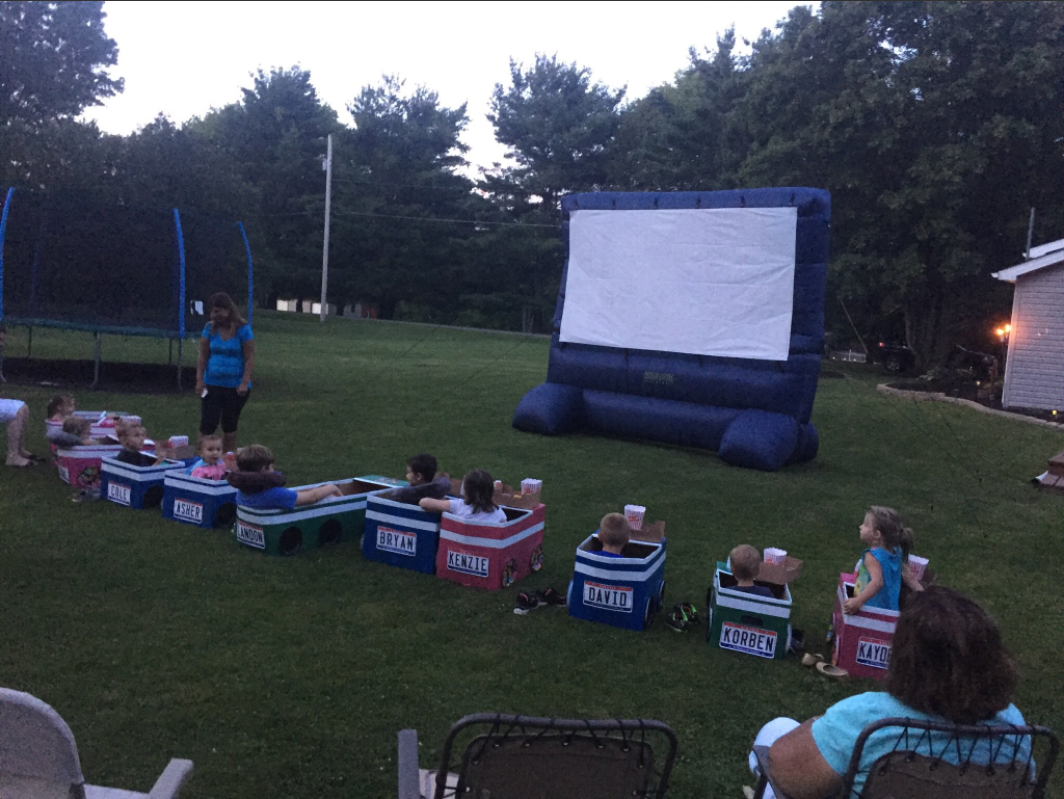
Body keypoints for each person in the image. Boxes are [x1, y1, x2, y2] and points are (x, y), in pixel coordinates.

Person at [748, 586, 1030, 799]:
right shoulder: (1013, 726)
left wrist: (824, 726)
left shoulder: (869, 719)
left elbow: (786, 775)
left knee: (778, 730)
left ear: (906, 657)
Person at [196, 292, 255, 455]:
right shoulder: (209, 329)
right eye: (213, 311)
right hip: (212, 384)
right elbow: (203, 356)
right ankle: (203, 457)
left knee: (229, 425)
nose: (215, 315)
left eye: (219, 311)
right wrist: (199, 380)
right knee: (207, 423)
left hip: (235, 387)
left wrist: (244, 382)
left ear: (228, 310)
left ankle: (226, 459)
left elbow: (249, 357)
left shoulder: (243, 329)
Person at [843, 506, 922, 615]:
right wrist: (924, 595)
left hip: (870, 610)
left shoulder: (871, 557)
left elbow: (877, 582)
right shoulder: (897, 553)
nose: (860, 526)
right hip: (892, 611)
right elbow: (908, 577)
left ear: (877, 534)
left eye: (865, 525)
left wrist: (857, 602)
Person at [226, 444, 341, 510]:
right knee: (329, 497)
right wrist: (332, 486)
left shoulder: (243, 490)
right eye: (270, 467)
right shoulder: (274, 494)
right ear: (264, 470)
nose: (273, 470)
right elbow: (312, 497)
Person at [420, 468, 506, 523]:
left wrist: (442, 501)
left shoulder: (458, 506)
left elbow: (423, 502)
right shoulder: (499, 512)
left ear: (467, 491)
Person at [383, 453, 452, 505]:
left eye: (409, 473)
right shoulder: (439, 491)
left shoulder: (402, 495)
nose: (406, 476)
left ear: (418, 476)